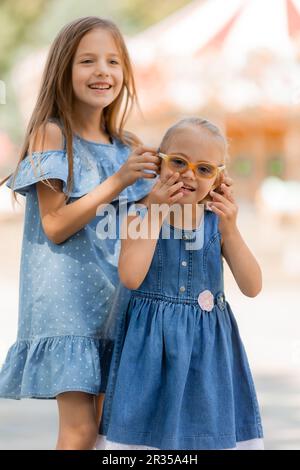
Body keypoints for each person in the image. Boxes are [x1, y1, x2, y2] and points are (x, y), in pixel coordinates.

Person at [0, 16, 159, 450]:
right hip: (68, 307)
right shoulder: (52, 134)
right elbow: (54, 226)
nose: (102, 71)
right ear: (63, 70)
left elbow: (141, 221)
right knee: (81, 430)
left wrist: (186, 190)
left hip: (118, 303)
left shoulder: (127, 145)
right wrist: (118, 182)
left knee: (109, 429)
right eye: (87, 61)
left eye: (113, 61)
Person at [98, 117, 264, 450]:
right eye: (178, 162)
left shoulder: (217, 221)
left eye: (204, 169)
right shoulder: (139, 215)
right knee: (147, 441)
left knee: (202, 432)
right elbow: (131, 276)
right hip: (149, 352)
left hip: (207, 353)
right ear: (158, 162)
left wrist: (231, 229)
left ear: (218, 178)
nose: (189, 175)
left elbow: (252, 285)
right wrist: (157, 213)